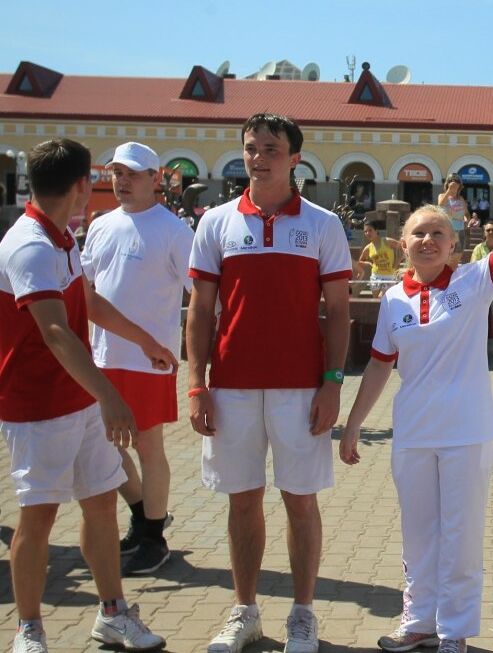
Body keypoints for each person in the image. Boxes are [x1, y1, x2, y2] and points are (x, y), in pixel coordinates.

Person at [339, 168, 493, 653]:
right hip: (412, 433)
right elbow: (379, 366)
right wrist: (353, 425)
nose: (428, 241)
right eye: (419, 234)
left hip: (465, 432)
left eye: (438, 233)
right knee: (418, 534)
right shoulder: (392, 299)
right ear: (403, 244)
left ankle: (453, 631)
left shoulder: (474, 282)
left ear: (453, 244)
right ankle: (418, 621)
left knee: (460, 536)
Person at [0, 138, 174, 653]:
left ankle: (113, 614)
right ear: (82, 184)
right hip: (37, 407)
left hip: (77, 399)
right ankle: (29, 630)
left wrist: (144, 341)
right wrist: (110, 396)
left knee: (100, 505)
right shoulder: (30, 244)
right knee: (39, 517)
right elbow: (56, 331)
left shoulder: (62, 238)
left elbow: (87, 301)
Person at [187, 114, 352, 653]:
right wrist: (196, 384)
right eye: (251, 148)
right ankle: (245, 612)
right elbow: (201, 311)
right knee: (242, 501)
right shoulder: (215, 223)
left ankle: (302, 614)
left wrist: (333, 382)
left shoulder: (324, 225)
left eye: (271, 149)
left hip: (301, 388)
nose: (258, 158)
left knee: (300, 501)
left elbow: (339, 312)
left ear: (295, 158)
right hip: (230, 386)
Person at [81, 142, 194, 576]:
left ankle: (154, 538)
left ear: (155, 178)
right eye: (117, 174)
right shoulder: (101, 225)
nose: (122, 182)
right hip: (101, 357)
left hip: (149, 361)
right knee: (102, 446)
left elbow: (201, 293)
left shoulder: (173, 231)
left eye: (132, 174)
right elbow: (86, 287)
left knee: (147, 447)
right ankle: (144, 513)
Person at [470, 222, 493, 356]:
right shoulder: (478, 249)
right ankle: (479, 347)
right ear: (484, 233)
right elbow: (474, 267)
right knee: (480, 319)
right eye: (488, 230)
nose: (491, 232)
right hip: (481, 288)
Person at [357, 222, 400, 286]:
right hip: (375, 276)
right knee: (375, 293)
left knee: (384, 293)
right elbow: (360, 261)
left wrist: (398, 260)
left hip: (389, 275)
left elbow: (402, 247)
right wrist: (368, 263)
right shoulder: (368, 248)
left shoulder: (387, 241)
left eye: (370, 230)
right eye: (365, 231)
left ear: (376, 230)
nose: (368, 233)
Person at [437, 175, 469, 241]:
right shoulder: (442, 196)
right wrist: (449, 190)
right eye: (451, 182)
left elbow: (466, 213)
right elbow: (440, 206)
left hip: (460, 230)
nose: (454, 187)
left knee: (459, 247)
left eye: (456, 183)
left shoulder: (461, 199)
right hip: (447, 230)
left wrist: (466, 220)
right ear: (447, 184)